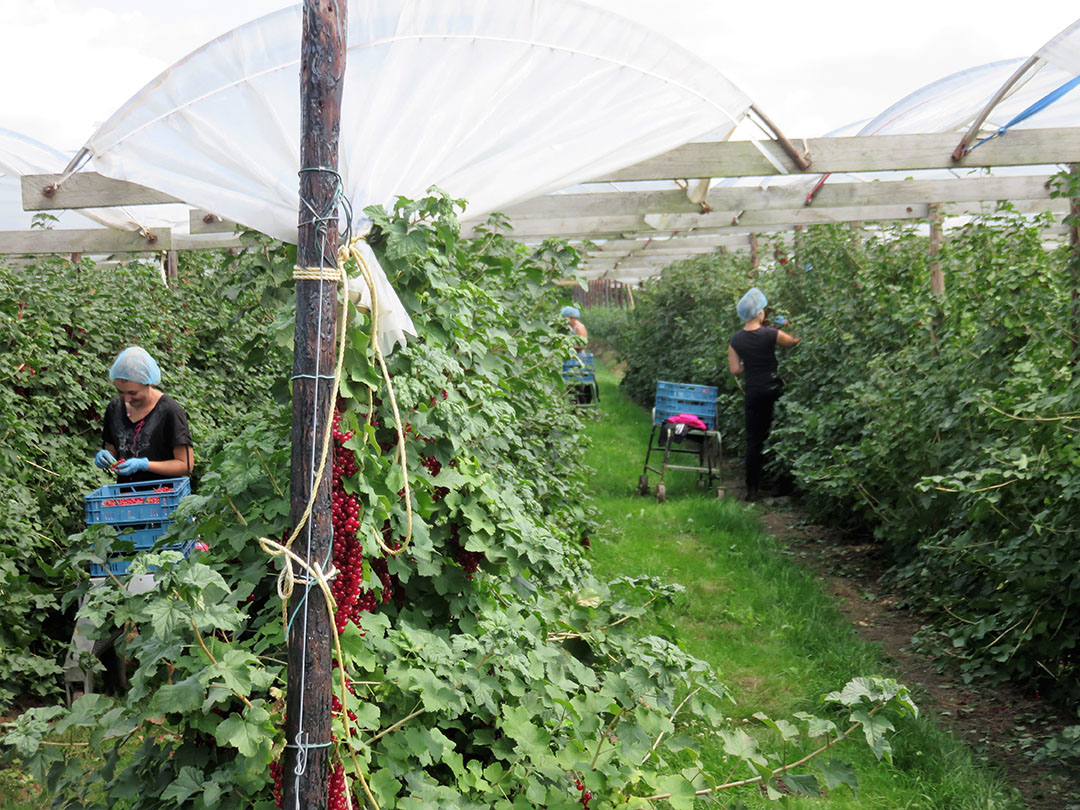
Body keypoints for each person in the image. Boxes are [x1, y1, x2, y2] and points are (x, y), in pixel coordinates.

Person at [728, 288, 799, 502]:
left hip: (753, 392)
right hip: (774, 390)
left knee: (754, 440)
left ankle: (752, 490)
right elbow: (793, 342)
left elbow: (735, 370)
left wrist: (746, 362)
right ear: (760, 313)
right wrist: (790, 325)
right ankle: (780, 484)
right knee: (778, 434)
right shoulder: (771, 334)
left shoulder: (736, 340)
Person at [91, 346, 193, 483]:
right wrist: (107, 456)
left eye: (133, 393)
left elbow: (185, 465)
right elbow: (112, 448)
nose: (127, 399)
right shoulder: (115, 408)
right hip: (127, 495)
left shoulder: (170, 411)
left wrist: (145, 465)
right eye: (121, 392)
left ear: (148, 384)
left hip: (164, 496)